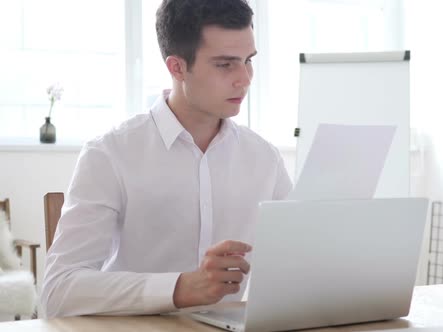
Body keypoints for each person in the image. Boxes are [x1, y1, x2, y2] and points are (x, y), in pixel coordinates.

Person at [40, 0, 292, 318]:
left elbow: (304, 262)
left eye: (248, 60)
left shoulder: (264, 160)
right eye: (226, 64)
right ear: (177, 67)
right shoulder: (109, 154)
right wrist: (180, 288)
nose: (245, 79)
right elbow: (58, 292)